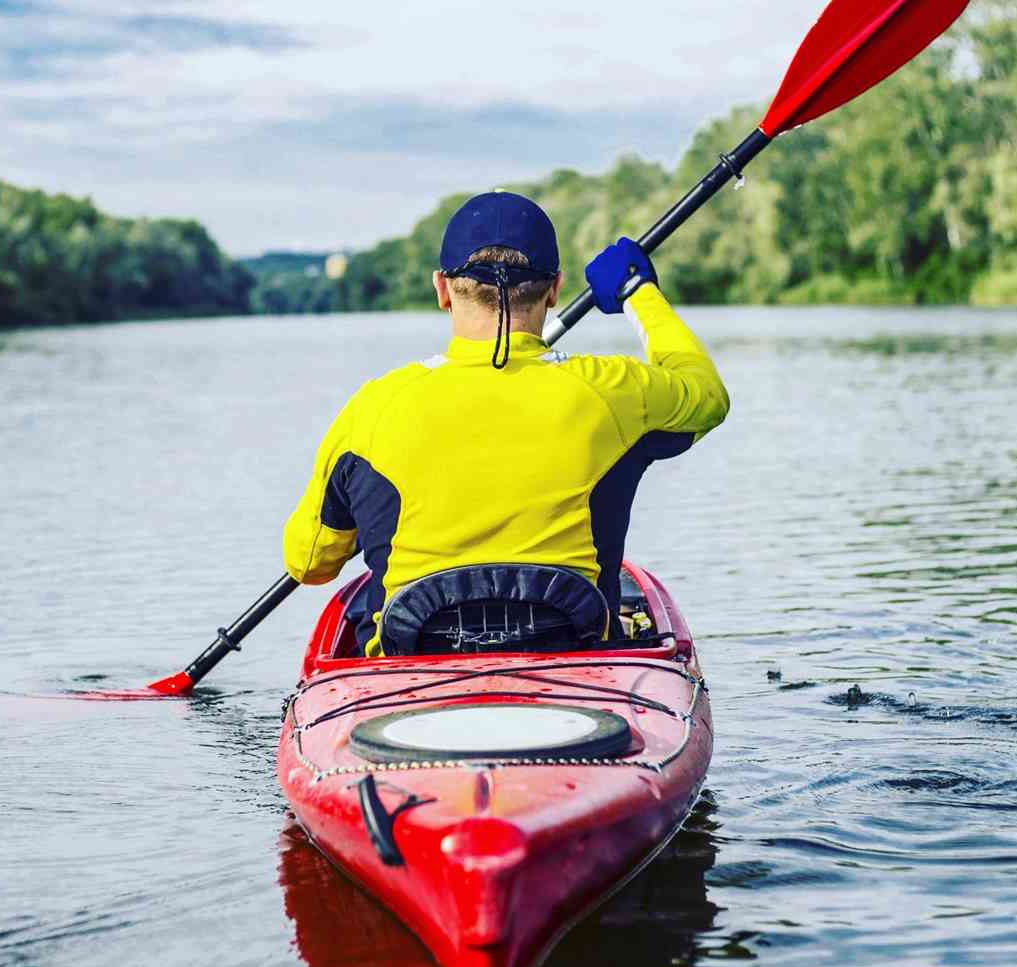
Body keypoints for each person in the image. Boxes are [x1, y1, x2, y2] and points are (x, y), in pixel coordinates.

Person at [282, 190, 729, 656]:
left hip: (410, 664)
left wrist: (362, 515)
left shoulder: (373, 409)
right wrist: (639, 294)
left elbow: (308, 563)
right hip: (578, 655)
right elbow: (707, 394)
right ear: (554, 290)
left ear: (442, 290)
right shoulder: (613, 392)